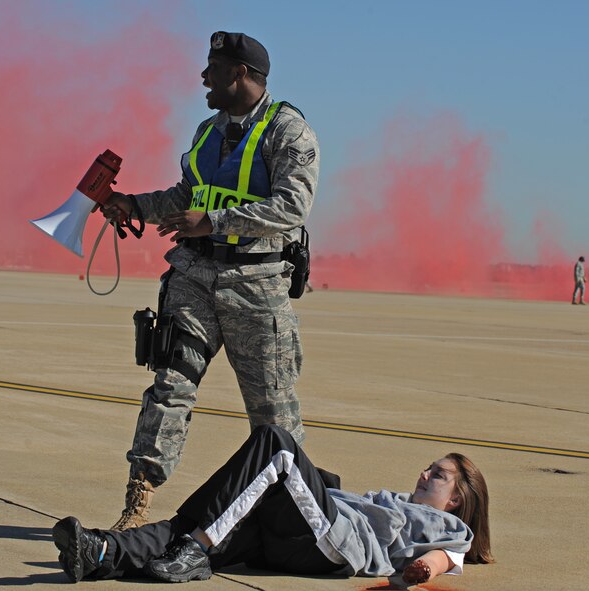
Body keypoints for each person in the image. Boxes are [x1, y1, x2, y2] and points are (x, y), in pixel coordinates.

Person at [99, 31, 320, 529]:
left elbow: (291, 207)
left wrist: (214, 223)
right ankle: (137, 505)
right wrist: (132, 203)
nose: (204, 78)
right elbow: (186, 194)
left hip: (256, 285)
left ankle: (294, 518)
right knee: (169, 388)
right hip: (194, 278)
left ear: (239, 74)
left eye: (213, 70)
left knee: (273, 413)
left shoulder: (289, 131)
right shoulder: (206, 130)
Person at [52, 425, 494, 586]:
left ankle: (198, 548)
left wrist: (423, 571)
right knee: (205, 520)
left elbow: (447, 559)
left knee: (275, 443)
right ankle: (102, 552)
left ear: (457, 498)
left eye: (437, 474)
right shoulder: (396, 501)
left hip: (337, 546)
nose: (424, 474)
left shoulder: (450, 528)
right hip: (305, 536)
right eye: (427, 467)